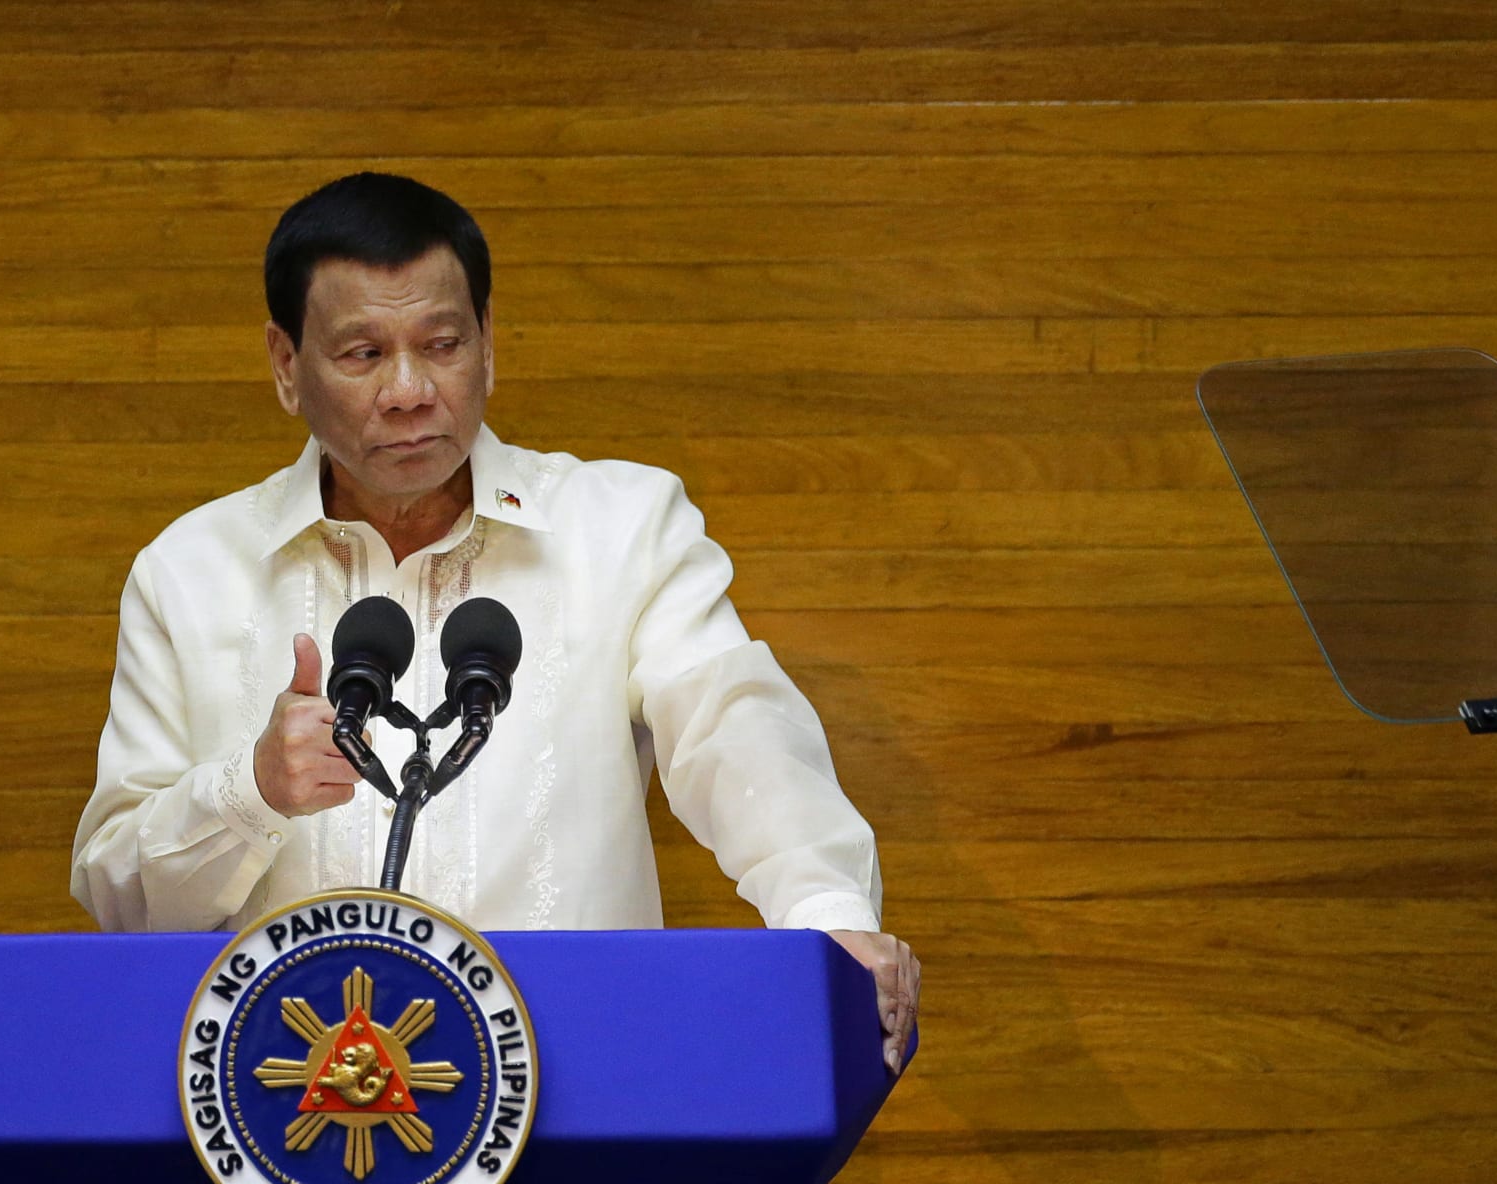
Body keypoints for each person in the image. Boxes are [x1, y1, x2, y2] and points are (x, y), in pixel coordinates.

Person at [71, 172, 919, 1071]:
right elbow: (119, 894)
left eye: (442, 343)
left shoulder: (620, 527)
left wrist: (829, 923)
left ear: (489, 344)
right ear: (287, 365)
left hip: (579, 1089)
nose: (408, 390)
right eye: (362, 355)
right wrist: (249, 793)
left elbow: (733, 730)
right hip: (295, 1116)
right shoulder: (190, 572)